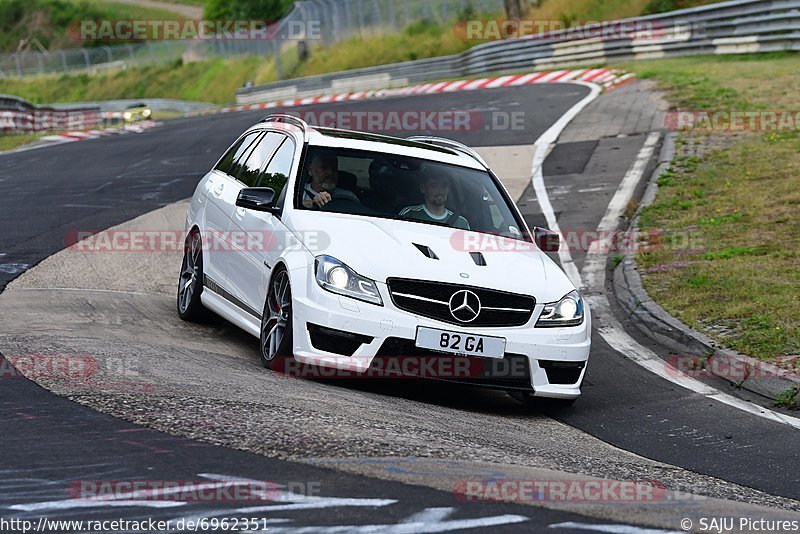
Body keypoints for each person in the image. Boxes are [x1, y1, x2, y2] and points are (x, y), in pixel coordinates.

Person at [399, 170, 470, 229]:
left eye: (444, 186)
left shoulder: (461, 223)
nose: (440, 191)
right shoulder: (409, 214)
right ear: (423, 188)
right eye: (434, 185)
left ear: (448, 189)